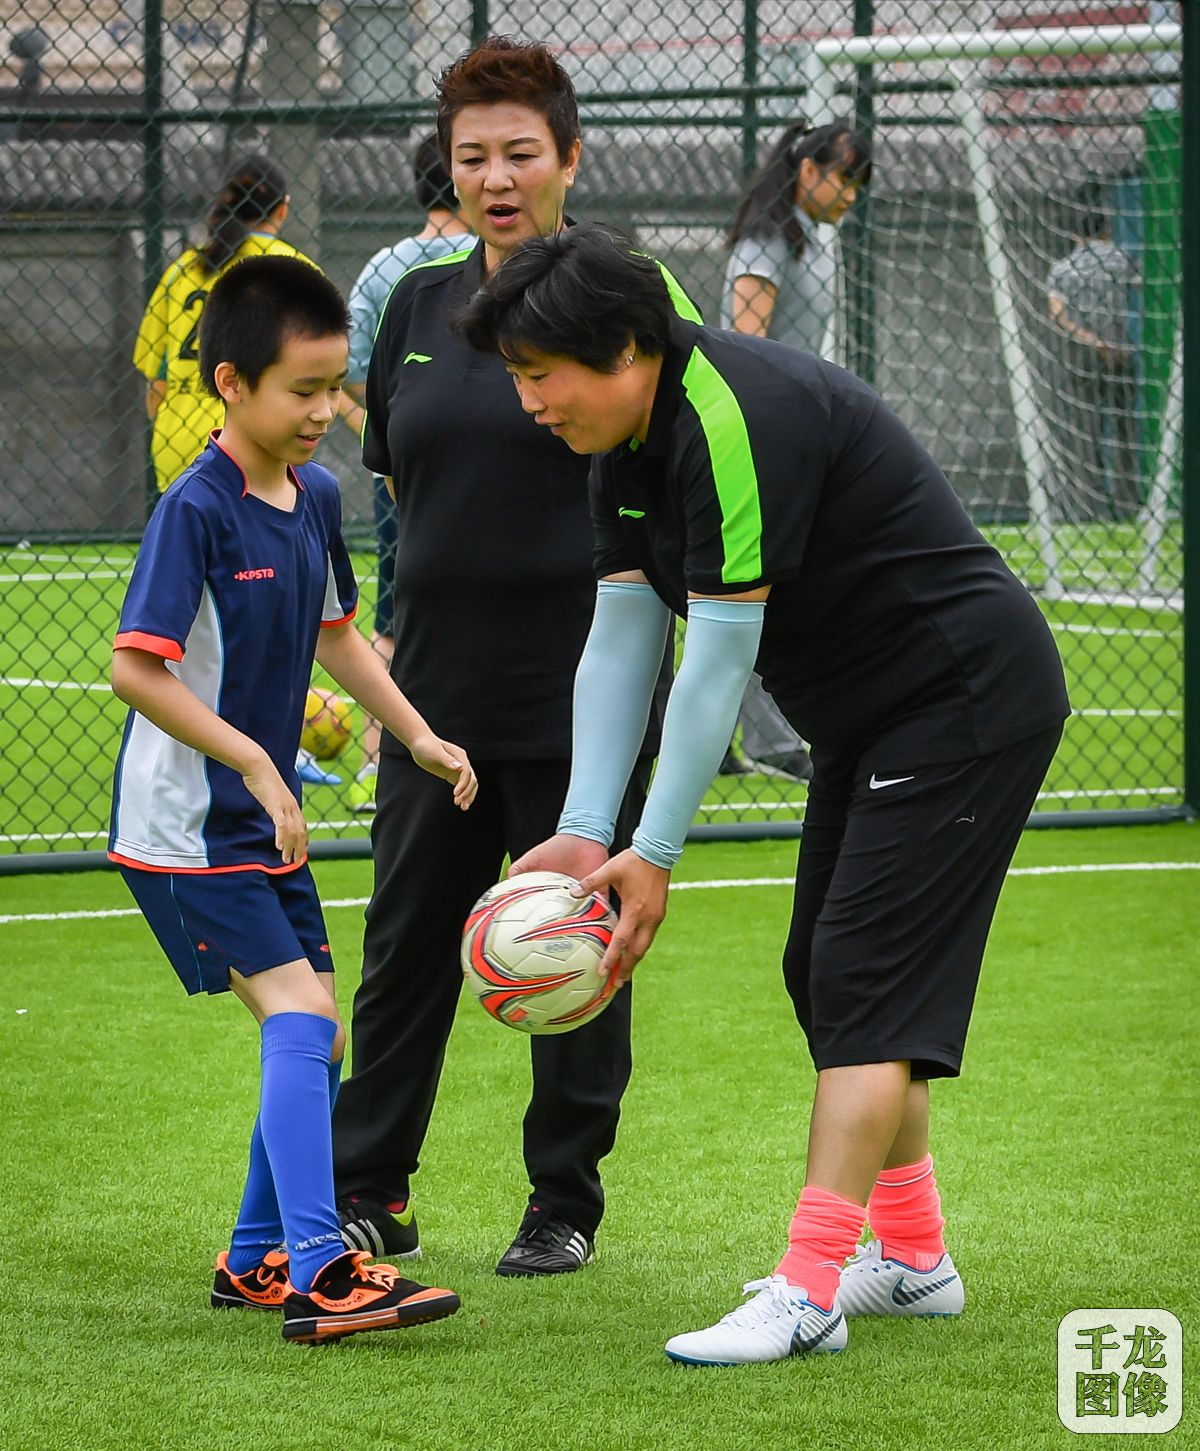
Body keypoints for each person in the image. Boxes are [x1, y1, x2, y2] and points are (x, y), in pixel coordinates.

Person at [458, 223, 1069, 1365]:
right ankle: (916, 1257)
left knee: (864, 978)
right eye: (515, 377)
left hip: (961, 698)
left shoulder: (731, 415)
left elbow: (719, 657)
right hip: (876, 712)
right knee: (824, 973)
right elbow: (624, 638)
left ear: (626, 346)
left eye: (540, 373)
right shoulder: (621, 451)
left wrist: (654, 848)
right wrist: (586, 832)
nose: (529, 399)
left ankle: (809, 1283)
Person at [332, 35, 697, 1278]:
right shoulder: (419, 310)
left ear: (569, 158)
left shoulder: (632, 302)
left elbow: (686, 471)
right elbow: (399, 494)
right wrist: (387, 657)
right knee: (403, 948)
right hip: (433, 696)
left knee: (577, 959)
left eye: (519, 153)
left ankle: (563, 1201)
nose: (494, 176)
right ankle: (368, 1187)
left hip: (579, 697)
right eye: (471, 154)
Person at [109, 255, 477, 1344]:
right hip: (186, 827)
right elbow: (138, 666)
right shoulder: (196, 509)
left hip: (261, 824)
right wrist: (261, 762)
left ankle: (257, 1252)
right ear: (231, 383)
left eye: (334, 387)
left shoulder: (317, 495)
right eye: (302, 390)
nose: (325, 412)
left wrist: (413, 732)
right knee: (307, 1018)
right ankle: (322, 1268)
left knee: (315, 1034)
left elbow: (334, 635)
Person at [131, 154, 341, 785]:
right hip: (238, 442)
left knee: (218, 616)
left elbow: (154, 376)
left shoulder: (182, 269)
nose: (325, 408)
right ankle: (256, 751)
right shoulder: (289, 271)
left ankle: (259, 747)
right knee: (247, 612)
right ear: (279, 211)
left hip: (181, 434)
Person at [720, 121, 872, 783]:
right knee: (760, 583)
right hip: (760, 433)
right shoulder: (765, 240)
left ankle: (731, 735)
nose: (852, 195)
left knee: (756, 584)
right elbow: (747, 344)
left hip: (794, 430)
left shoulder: (810, 238)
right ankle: (775, 739)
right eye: (846, 178)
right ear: (808, 170)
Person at [339, 135, 473, 814]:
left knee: (395, 607)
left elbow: (353, 375)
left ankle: (376, 761)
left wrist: (387, 432)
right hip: (467, 475)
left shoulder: (383, 268)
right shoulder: (496, 263)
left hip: (408, 468)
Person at [1045, 199, 1141, 517]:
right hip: (1120, 352)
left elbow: (1057, 315)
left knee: (1087, 430)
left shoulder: (1063, 268)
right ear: (1106, 231)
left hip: (1083, 355)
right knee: (1125, 429)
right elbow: (1143, 288)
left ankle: (1089, 505)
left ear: (1075, 234)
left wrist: (1091, 340)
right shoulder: (1120, 260)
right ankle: (1128, 502)